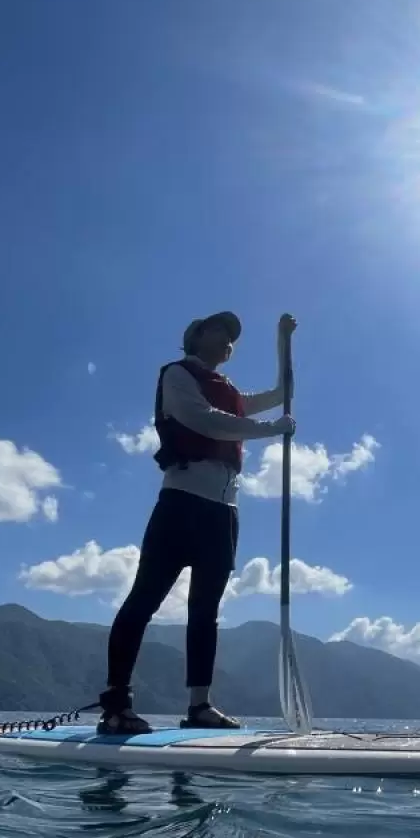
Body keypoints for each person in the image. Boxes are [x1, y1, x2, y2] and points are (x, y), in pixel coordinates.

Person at [97, 310, 297, 736]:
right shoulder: (177, 375)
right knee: (144, 600)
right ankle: (116, 705)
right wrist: (270, 429)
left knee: (205, 613)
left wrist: (282, 339)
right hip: (181, 503)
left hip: (224, 512)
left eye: (233, 339)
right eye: (220, 332)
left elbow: (284, 392)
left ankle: (199, 705)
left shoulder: (231, 392)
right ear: (196, 335)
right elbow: (202, 420)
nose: (228, 341)